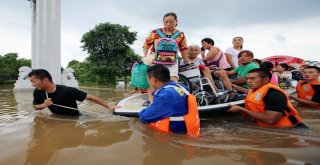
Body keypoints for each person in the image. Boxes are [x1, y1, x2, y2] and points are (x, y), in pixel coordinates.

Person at [228, 68, 305, 128]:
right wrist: (236, 87)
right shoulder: (255, 90)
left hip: (287, 129)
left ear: (265, 80)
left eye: (252, 78)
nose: (248, 81)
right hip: (269, 128)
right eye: (247, 79)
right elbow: (251, 93)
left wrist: (242, 109)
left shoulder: (275, 94)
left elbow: (270, 120)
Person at [139, 65, 200, 136]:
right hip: (188, 128)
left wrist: (143, 111)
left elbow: (145, 117)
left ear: (153, 80)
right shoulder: (180, 87)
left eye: (148, 80)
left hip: (178, 135)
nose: (148, 83)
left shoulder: (165, 95)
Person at [28, 69, 117, 116]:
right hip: (56, 117)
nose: (32, 84)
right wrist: (44, 105)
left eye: (33, 81)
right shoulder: (37, 92)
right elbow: (35, 106)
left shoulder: (67, 91)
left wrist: (109, 106)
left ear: (45, 80)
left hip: (74, 118)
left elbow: (89, 97)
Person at [143, 12, 189, 82]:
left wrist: (186, 61)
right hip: (155, 60)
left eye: (171, 22)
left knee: (173, 80)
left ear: (176, 21)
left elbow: (183, 48)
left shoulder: (180, 35)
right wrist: (145, 57)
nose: (168, 24)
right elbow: (146, 45)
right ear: (163, 22)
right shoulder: (155, 32)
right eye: (166, 22)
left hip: (172, 61)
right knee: (155, 80)